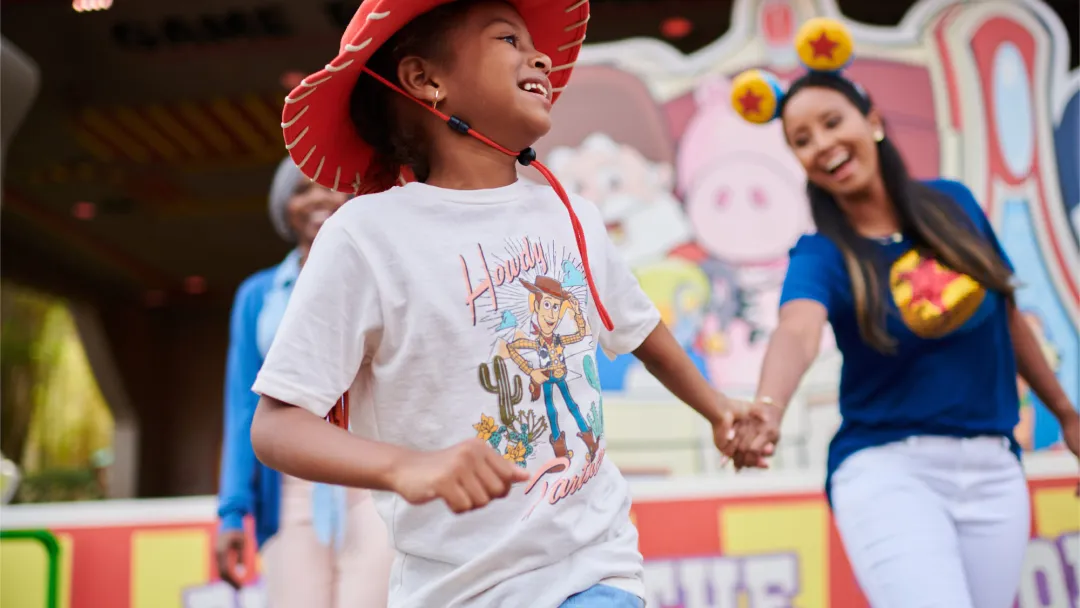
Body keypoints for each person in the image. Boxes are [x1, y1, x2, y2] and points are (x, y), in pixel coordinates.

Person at [247, 1, 757, 607]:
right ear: (424, 81)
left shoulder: (572, 216)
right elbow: (277, 426)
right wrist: (407, 468)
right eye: (507, 39)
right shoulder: (364, 236)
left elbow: (640, 327)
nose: (537, 55)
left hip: (594, 572)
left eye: (533, 44)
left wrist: (719, 411)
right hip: (455, 592)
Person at [727, 18, 1080, 608]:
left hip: (994, 468)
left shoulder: (954, 205)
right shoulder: (823, 253)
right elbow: (797, 329)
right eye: (802, 139)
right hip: (889, 471)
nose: (823, 145)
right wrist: (768, 407)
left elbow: (1007, 318)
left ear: (871, 120)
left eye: (832, 123)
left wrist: (1067, 413)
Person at [216, 157, 393, 607]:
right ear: (284, 207)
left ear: (351, 196)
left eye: (329, 184)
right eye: (300, 189)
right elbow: (242, 408)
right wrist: (232, 513)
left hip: (371, 478)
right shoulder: (258, 295)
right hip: (290, 490)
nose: (317, 197)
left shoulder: (380, 274)